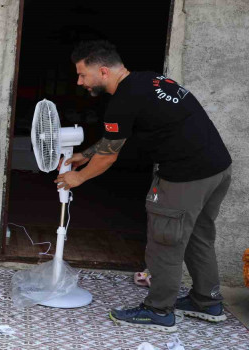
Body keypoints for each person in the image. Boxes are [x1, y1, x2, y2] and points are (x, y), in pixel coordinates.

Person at [57, 40, 232, 332]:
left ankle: (159, 311)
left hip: (185, 176)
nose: (79, 82)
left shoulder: (122, 101)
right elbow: (117, 138)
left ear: (102, 71)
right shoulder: (150, 81)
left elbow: (110, 156)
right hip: (217, 170)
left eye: (82, 75)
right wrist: (85, 154)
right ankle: (207, 302)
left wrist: (79, 176)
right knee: (199, 235)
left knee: (165, 241)